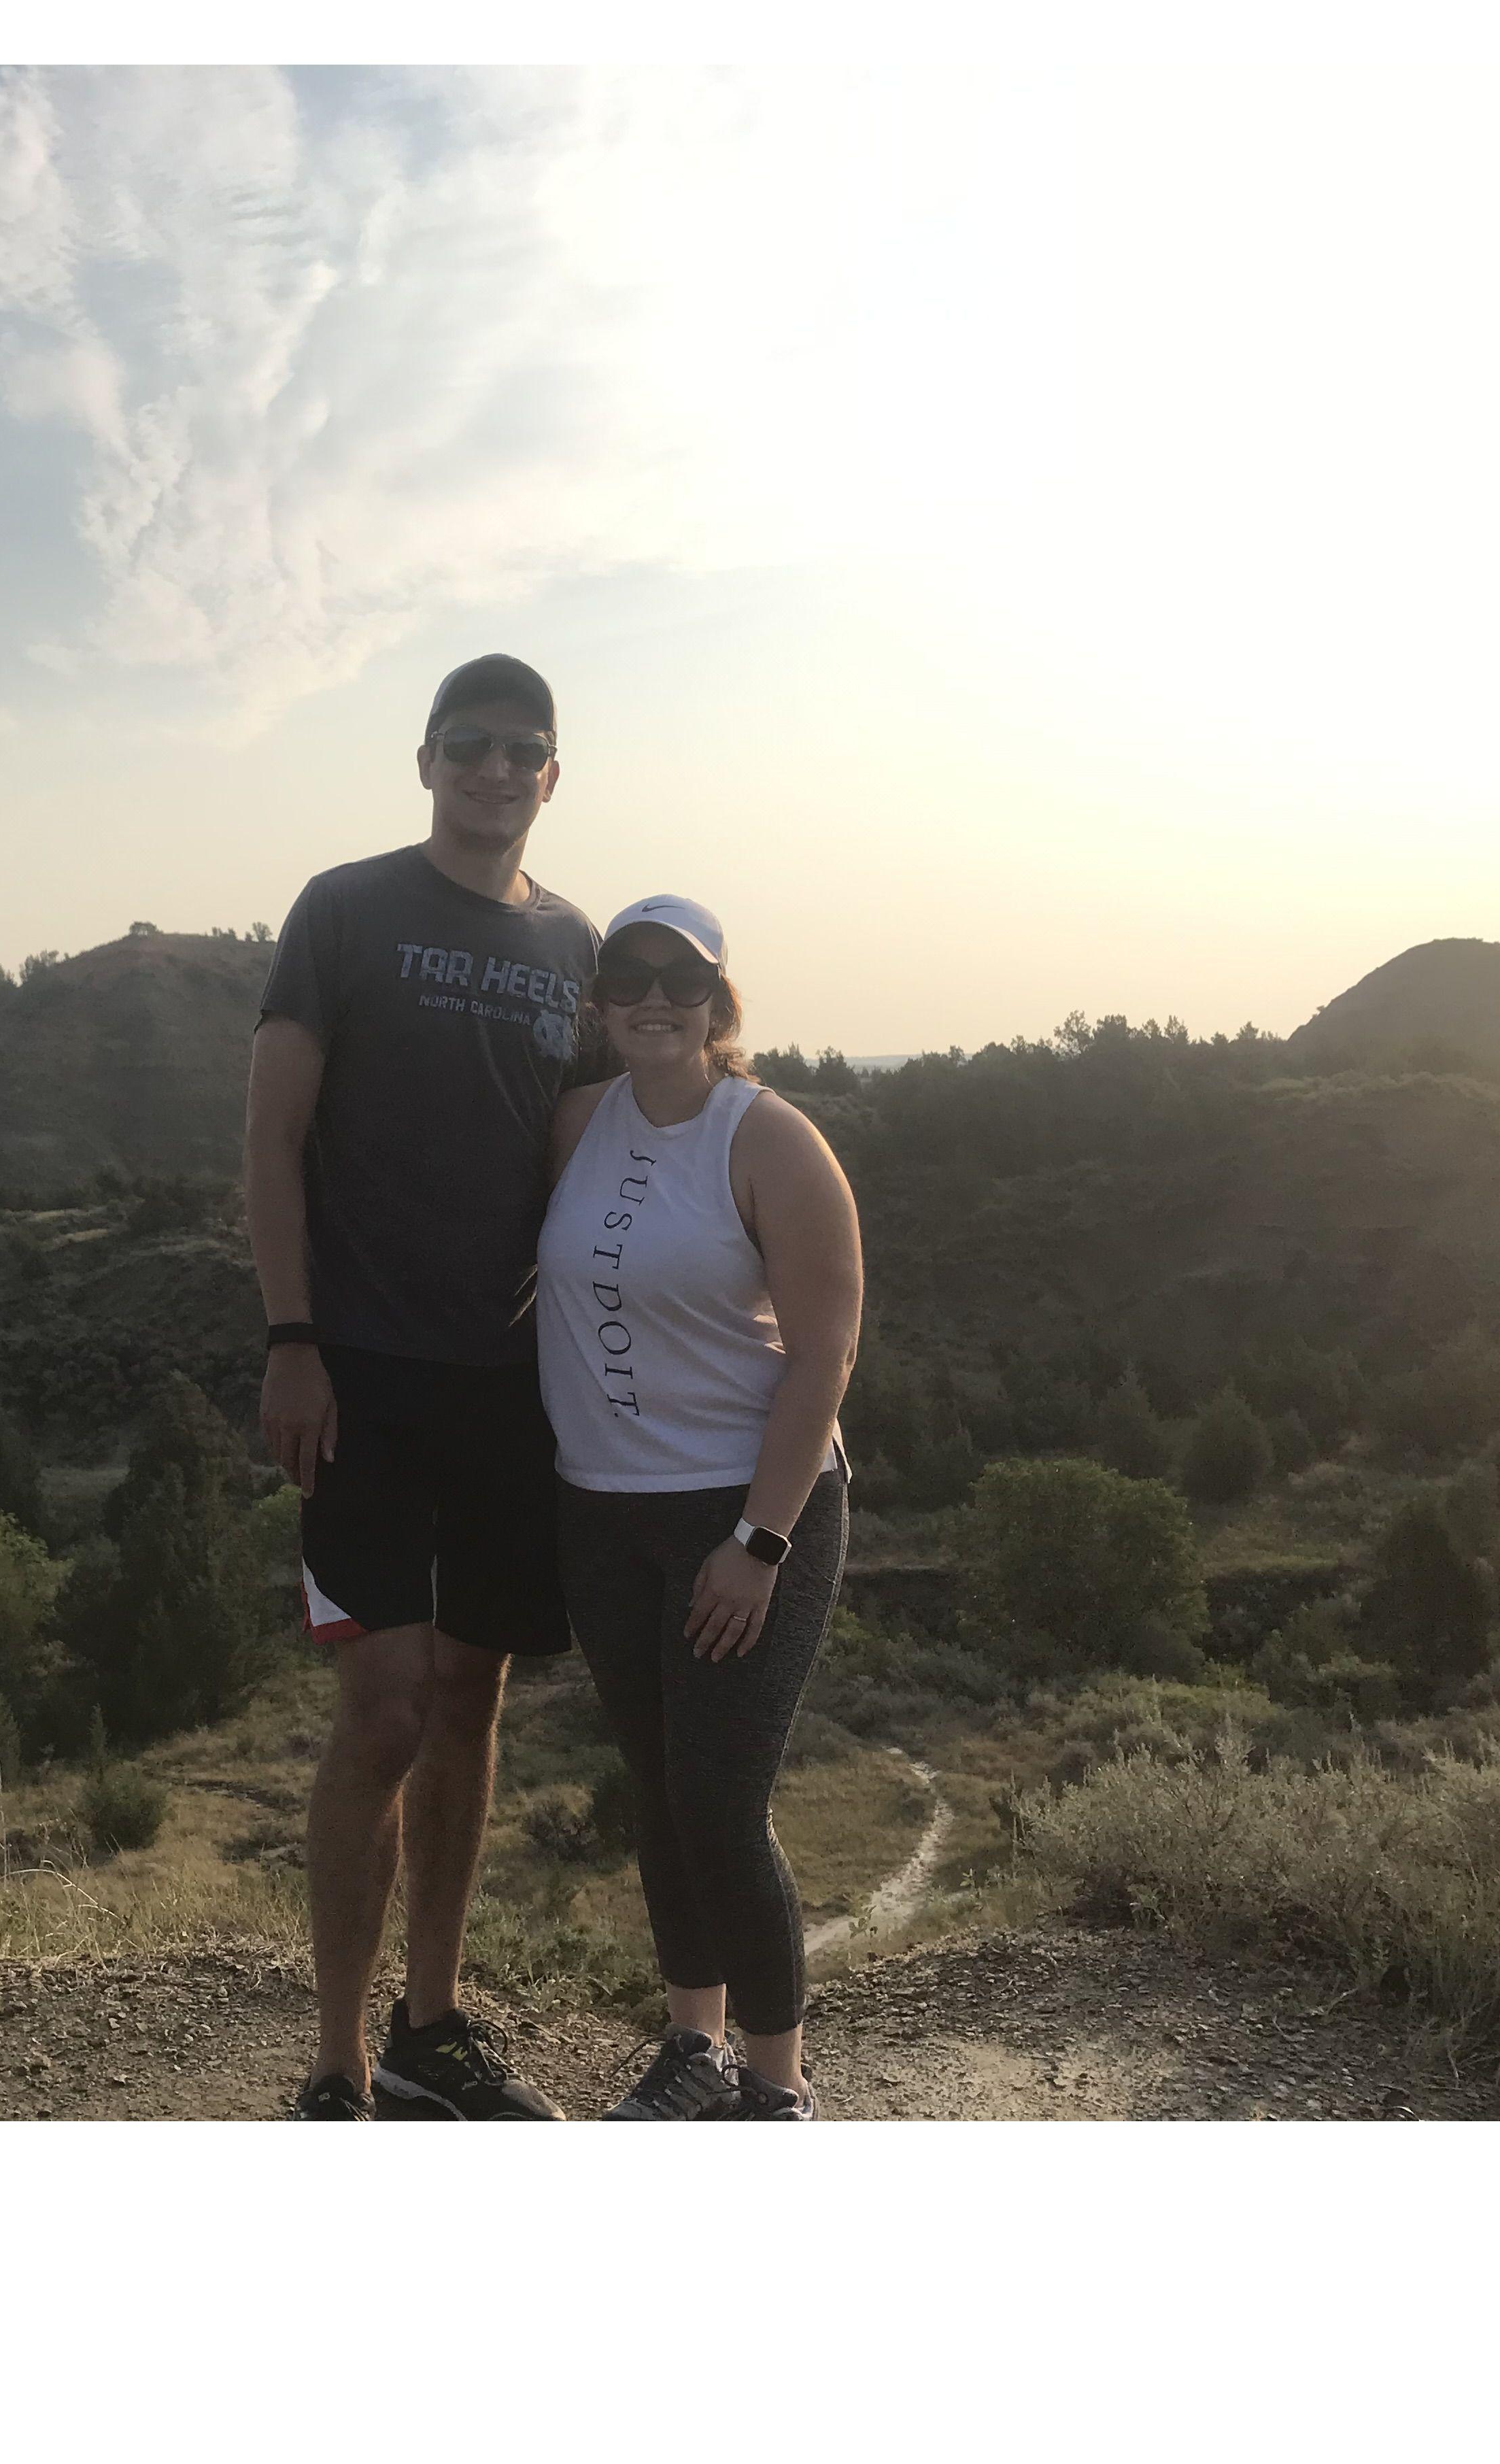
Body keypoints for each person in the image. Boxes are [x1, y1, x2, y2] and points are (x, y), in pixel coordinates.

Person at [247, 654, 600, 2119]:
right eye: (470, 745)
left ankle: (433, 2026)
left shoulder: (579, 948)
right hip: (362, 1375)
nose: (496, 769)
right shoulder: (344, 909)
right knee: (383, 1711)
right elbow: (269, 1141)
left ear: (552, 775)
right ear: (427, 760)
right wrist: (290, 1339)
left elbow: (586, 1171)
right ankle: (336, 2065)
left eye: (523, 749)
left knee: (473, 1692)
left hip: (513, 1387)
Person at [534, 896, 863, 2119]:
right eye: (633, 975)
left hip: (748, 1509)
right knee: (659, 1788)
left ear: (721, 1003)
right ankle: (693, 2048)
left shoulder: (769, 1140)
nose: (659, 996)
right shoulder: (577, 1125)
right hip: (603, 1512)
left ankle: (774, 2090)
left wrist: (759, 1542)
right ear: (603, 1001)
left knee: (720, 1805)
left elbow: (826, 1351)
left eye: (687, 978)